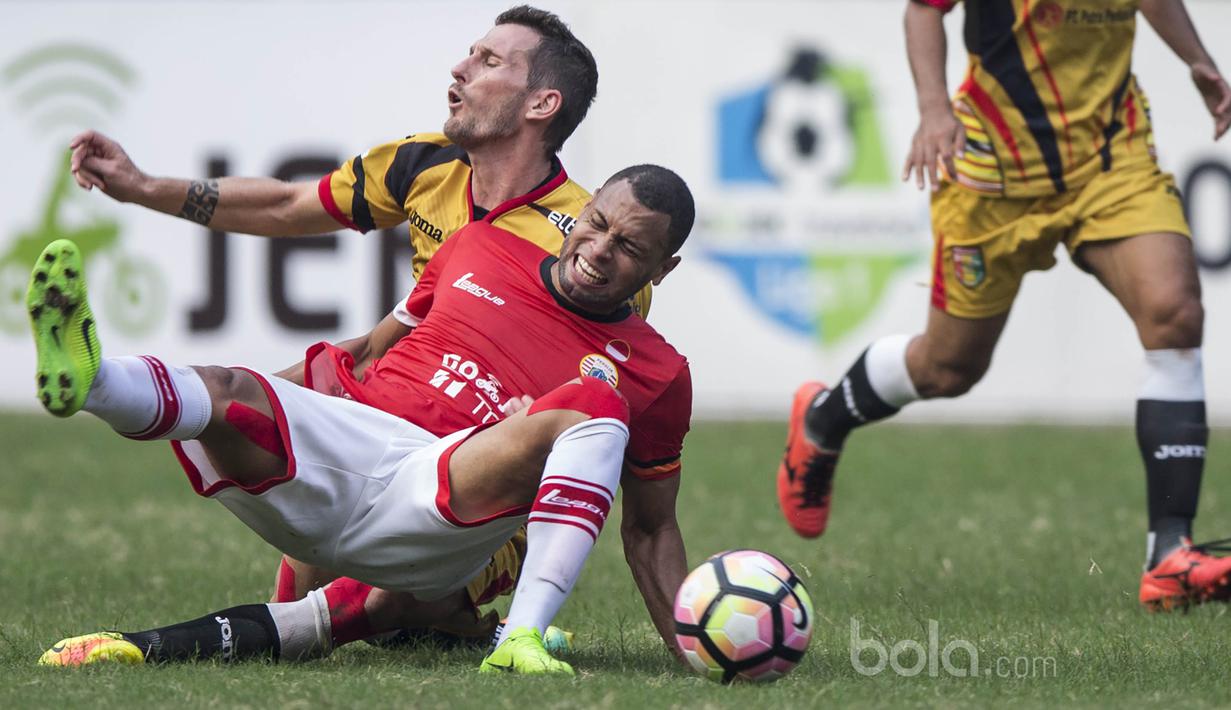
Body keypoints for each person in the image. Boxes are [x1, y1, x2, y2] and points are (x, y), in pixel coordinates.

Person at [68, 5, 649, 633]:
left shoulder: (588, 244)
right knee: (282, 396)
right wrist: (143, 186)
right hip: (397, 410)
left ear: (541, 104)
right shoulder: (423, 166)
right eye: (469, 53)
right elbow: (290, 205)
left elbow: (595, 405)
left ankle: (439, 619)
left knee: (382, 604)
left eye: (488, 61)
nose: (459, 68)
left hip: (489, 470)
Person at [32, 165, 694, 674]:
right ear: (578, 211)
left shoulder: (656, 371)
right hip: (349, 444)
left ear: (663, 270)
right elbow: (374, 345)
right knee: (228, 387)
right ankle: (92, 381)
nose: (600, 249)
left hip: (442, 487)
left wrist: (692, 646)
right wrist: (274, 399)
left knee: (594, 406)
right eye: (596, 223)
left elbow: (650, 525)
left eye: (629, 247)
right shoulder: (478, 246)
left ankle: (518, 634)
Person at [777, 0, 1231, 610]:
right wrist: (935, 111)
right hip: (992, 172)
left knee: (1175, 313)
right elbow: (922, 10)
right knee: (948, 368)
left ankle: (1169, 556)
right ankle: (824, 418)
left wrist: (1198, 60)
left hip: (1109, 157)